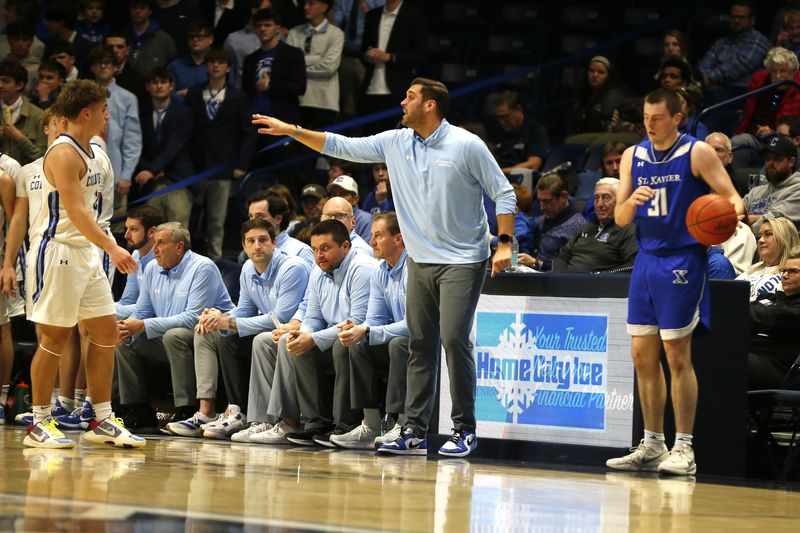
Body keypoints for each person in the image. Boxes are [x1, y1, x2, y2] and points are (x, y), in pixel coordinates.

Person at [252, 77, 516, 457]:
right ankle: (414, 430)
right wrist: (292, 131)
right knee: (418, 344)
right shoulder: (395, 142)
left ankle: (464, 429)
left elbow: (504, 193)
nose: (402, 102)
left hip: (462, 258)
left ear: (430, 105)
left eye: (409, 97)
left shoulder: (466, 145)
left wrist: (504, 243)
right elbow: (339, 143)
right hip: (421, 260)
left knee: (454, 339)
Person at [606, 88, 744, 476]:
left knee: (677, 356)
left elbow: (735, 200)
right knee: (641, 356)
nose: (649, 125)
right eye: (646, 118)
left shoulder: (697, 152)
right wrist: (630, 202)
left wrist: (717, 219)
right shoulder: (634, 155)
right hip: (646, 260)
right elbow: (619, 219)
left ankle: (684, 448)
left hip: (683, 260)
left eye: (657, 118)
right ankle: (652, 444)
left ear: (677, 118)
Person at [23, 79, 143, 449]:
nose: (108, 115)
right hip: (57, 251)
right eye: (104, 109)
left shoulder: (95, 149)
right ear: (86, 112)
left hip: (87, 253)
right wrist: (113, 248)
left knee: (106, 333)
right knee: (54, 338)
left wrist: (102, 247)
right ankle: (39, 421)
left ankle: (102, 418)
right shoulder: (63, 153)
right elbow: (74, 211)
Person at [172, 218, 308, 439]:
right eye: (251, 241)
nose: (257, 246)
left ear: (275, 243)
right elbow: (244, 310)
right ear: (243, 246)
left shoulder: (292, 268)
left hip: (291, 332)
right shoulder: (247, 268)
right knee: (210, 332)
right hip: (266, 333)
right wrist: (219, 317)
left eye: (263, 240)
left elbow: (281, 319)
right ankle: (220, 412)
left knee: (247, 337)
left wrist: (230, 323)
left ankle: (261, 418)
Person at [116, 222, 234, 430]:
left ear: (179, 247)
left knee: (175, 335)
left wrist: (142, 324)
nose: (154, 249)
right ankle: (137, 409)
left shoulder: (202, 267)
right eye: (154, 243)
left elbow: (192, 319)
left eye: (160, 243)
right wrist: (128, 326)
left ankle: (186, 408)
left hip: (208, 339)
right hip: (168, 336)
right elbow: (142, 310)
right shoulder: (153, 267)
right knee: (125, 339)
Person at [332, 212, 409, 449]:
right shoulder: (379, 269)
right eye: (372, 235)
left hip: (424, 342)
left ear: (398, 239)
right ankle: (371, 424)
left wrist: (368, 331)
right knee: (358, 343)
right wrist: (359, 328)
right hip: (397, 339)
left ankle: (403, 424)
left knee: (398, 344)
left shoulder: (415, 268)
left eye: (378, 235)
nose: (372, 241)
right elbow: (374, 319)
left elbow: (416, 324)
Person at [134, 67, 194, 228]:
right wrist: (149, 169)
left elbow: (175, 146)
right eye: (155, 82)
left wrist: (153, 169)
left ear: (171, 86)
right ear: (148, 87)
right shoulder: (141, 114)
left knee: (178, 226)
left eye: (163, 82)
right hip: (150, 181)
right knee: (149, 227)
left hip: (177, 178)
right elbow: (135, 146)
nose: (159, 86)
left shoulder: (184, 113)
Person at [552, 178, 638, 272]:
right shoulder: (586, 227)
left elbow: (632, 266)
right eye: (597, 198)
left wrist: (600, 277)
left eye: (606, 197)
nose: (599, 204)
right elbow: (562, 256)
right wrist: (561, 277)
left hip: (599, 284)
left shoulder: (628, 231)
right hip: (567, 282)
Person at [748, 245, 800, 389]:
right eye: (784, 270)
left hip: (784, 370)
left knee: (730, 359)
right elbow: (752, 314)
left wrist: (759, 315)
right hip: (756, 355)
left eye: (793, 271)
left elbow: (774, 317)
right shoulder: (770, 297)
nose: (784, 275)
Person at [697, 1, 770, 100]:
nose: (736, 20)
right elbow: (704, 64)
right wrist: (704, 78)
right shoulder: (723, 41)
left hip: (745, 94)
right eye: (733, 16)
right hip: (715, 91)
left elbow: (738, 67)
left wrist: (709, 78)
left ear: (752, 20)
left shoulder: (758, 41)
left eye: (741, 17)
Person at [524, 173, 586, 271]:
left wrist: (536, 263)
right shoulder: (539, 220)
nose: (542, 207)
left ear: (564, 197)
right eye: (540, 201)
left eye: (547, 201)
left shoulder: (579, 227)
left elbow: (576, 270)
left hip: (556, 283)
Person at [115, 205, 165, 319]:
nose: (126, 235)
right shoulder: (136, 255)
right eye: (127, 228)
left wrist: (103, 313)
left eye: (133, 229)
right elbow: (128, 300)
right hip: (139, 316)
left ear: (152, 232)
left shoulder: (164, 259)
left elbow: (152, 307)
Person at [485, 90, 550, 174]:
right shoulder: (496, 130)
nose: (502, 122)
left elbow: (533, 164)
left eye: (506, 116)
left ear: (518, 109)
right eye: (498, 118)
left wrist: (500, 173)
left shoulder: (535, 130)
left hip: (523, 181)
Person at [736, 215, 800, 301]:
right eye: (759, 236)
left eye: (768, 234)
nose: (761, 240)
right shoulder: (753, 268)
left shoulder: (792, 274)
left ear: (785, 239)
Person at [743, 135, 800, 229]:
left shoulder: (797, 190)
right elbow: (736, 212)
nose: (770, 163)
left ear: (791, 162)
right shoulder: (755, 192)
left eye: (777, 158)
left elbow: (773, 224)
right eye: (768, 159)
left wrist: (744, 224)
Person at [0, 58, 47, 166]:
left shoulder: (38, 115)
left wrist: (20, 139)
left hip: (26, 176)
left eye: (5, 81)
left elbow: (43, 156)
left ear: (19, 85)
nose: (0, 85)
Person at [327, 174, 371, 241]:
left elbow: (368, 250)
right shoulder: (328, 218)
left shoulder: (365, 220)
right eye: (334, 194)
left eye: (343, 194)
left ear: (355, 199)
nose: (337, 198)